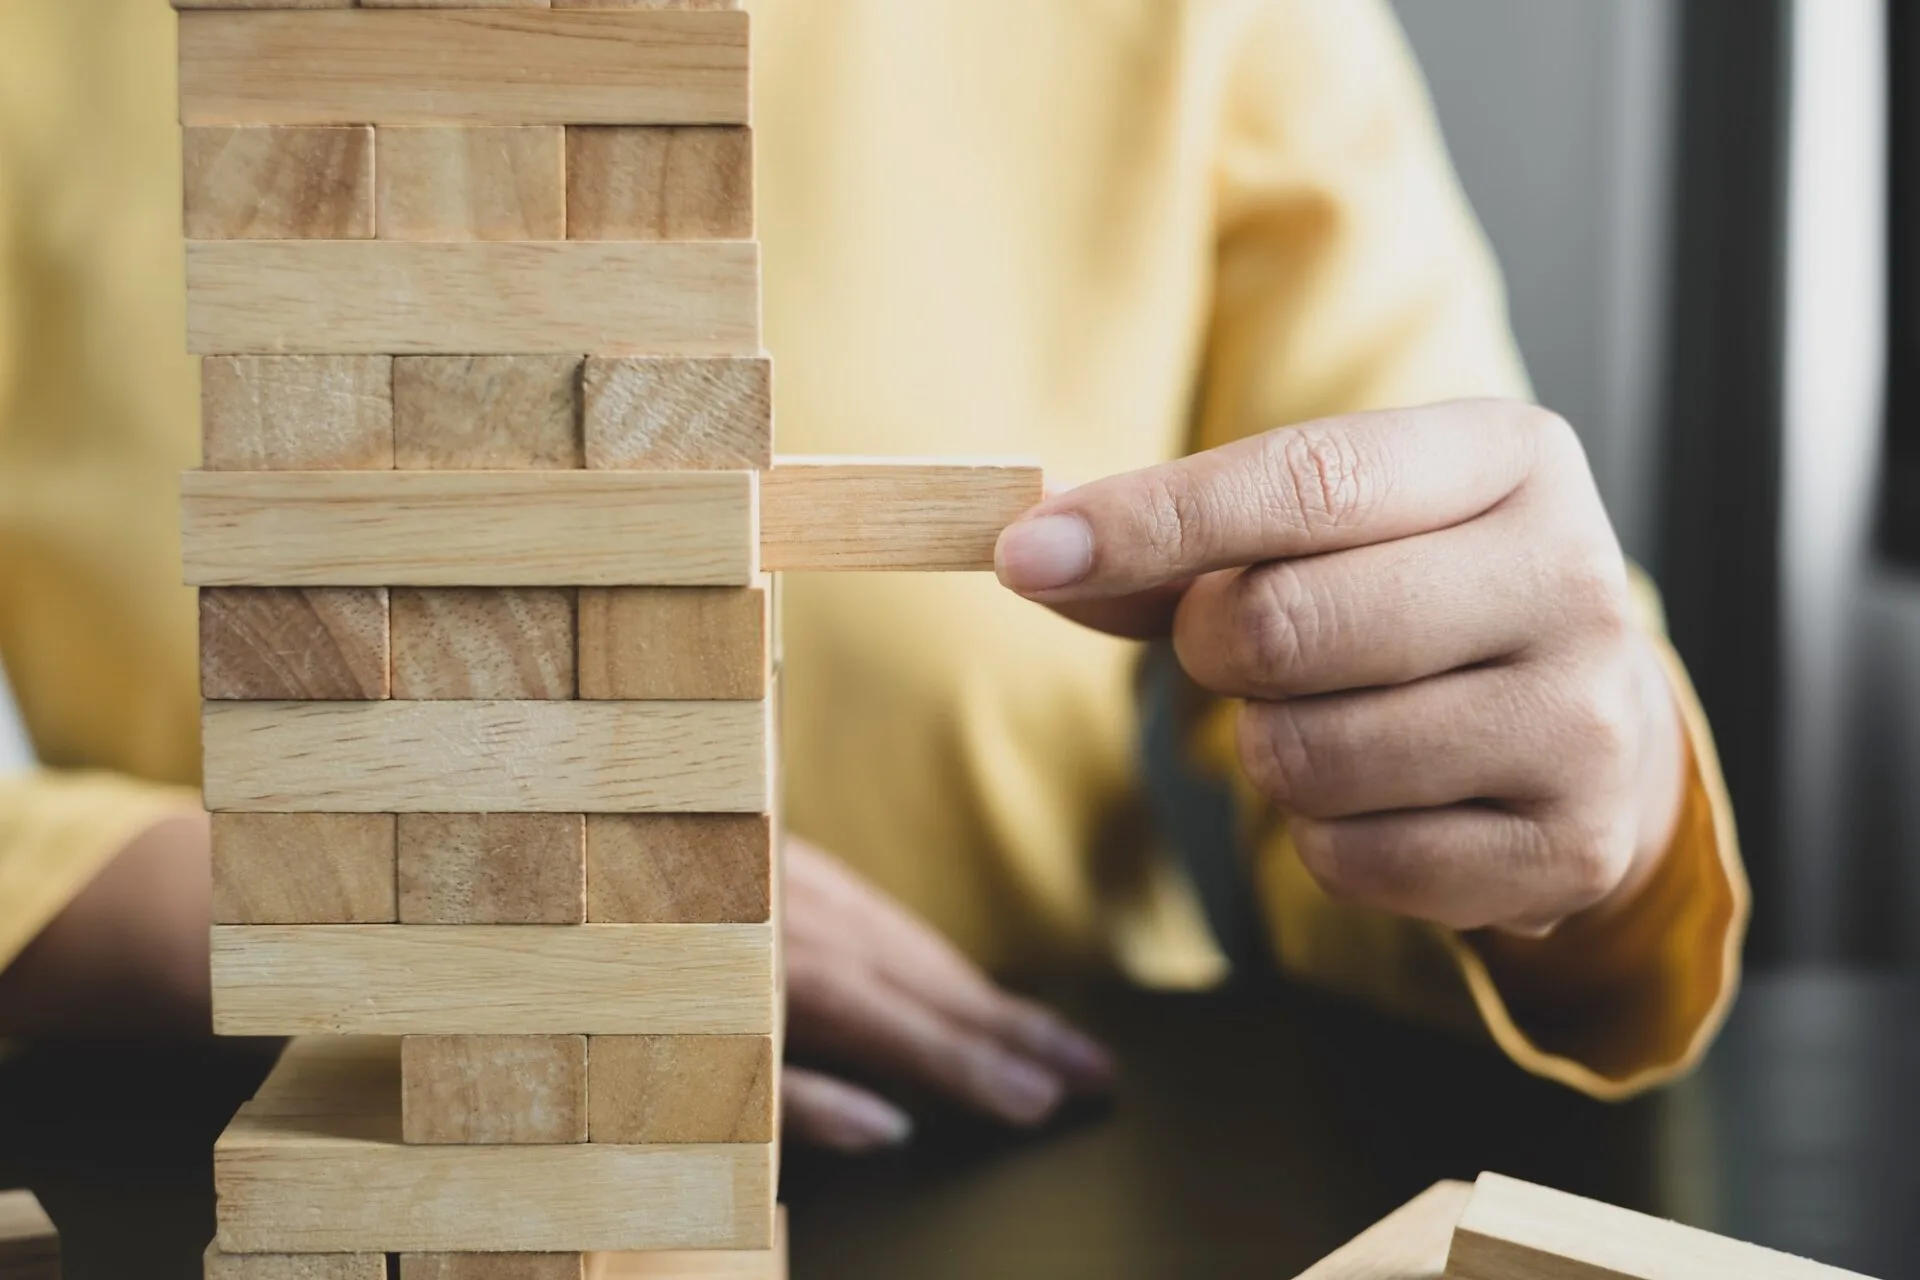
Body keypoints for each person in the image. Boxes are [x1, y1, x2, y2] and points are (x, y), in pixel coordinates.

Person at [0, 0, 1744, 1152]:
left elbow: (1456, 638)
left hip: (1036, 1159)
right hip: (202, 1139)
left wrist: (1583, 809)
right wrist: (273, 894)